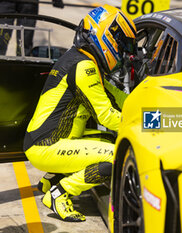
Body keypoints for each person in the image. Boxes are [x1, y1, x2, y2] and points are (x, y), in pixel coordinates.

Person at [23, 4, 136, 222]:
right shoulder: (84, 68)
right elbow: (107, 116)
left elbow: (119, 98)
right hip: (47, 146)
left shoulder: (80, 59)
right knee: (115, 157)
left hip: (45, 140)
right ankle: (61, 192)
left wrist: (146, 102)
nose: (122, 52)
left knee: (105, 138)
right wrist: (146, 123)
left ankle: (52, 178)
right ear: (105, 37)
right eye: (120, 44)